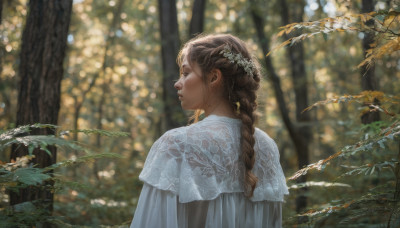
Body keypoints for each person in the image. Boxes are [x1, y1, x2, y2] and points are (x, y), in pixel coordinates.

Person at [130, 34, 289, 228]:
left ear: (214, 77)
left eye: (186, 73)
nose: (177, 83)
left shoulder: (177, 144)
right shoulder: (267, 147)